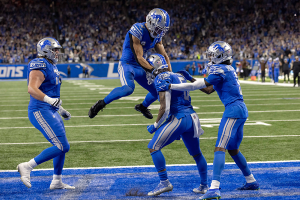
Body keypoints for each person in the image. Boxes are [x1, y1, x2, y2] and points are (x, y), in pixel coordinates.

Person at [162, 41, 259, 200]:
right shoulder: (228, 69)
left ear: (220, 56)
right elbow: (208, 89)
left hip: (233, 110)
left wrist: (172, 86)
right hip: (240, 110)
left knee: (219, 148)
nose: (210, 58)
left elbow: (200, 85)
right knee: (233, 149)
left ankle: (214, 188)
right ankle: (251, 180)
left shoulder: (221, 69)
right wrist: (192, 78)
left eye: (213, 55)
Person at [88, 8, 171, 120]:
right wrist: (154, 71)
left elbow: (165, 56)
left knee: (158, 89)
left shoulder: (157, 37)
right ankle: (101, 103)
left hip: (141, 67)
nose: (160, 33)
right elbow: (139, 57)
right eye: (158, 29)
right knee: (128, 89)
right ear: (150, 22)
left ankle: (142, 107)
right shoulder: (138, 29)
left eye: (162, 30)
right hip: (127, 64)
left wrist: (170, 74)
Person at [145, 54, 207, 196]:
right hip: (192, 117)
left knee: (153, 147)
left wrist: (155, 125)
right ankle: (204, 185)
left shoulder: (161, 77)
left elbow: (165, 108)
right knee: (197, 154)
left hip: (179, 117)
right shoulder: (178, 75)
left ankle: (164, 182)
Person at [17, 37, 74, 190]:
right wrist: (49, 101)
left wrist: (60, 109)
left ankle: (56, 181)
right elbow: (32, 88)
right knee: (62, 146)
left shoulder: (51, 65)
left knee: (61, 145)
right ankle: (27, 166)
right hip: (40, 109)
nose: (57, 53)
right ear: (46, 50)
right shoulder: (39, 63)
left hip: (50, 109)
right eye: (55, 49)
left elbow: (51, 91)